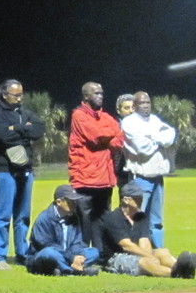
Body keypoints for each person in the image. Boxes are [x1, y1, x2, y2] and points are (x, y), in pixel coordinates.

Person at [0, 79, 46, 270]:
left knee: (23, 215)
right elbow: (3, 136)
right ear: (4, 94)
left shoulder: (24, 112)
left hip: (25, 169)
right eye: (15, 95)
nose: (19, 98)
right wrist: (23, 130)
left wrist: (18, 128)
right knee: (3, 215)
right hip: (4, 170)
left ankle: (22, 253)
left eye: (21, 94)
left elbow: (39, 130)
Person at [99, 182, 196, 278]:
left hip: (137, 253)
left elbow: (144, 242)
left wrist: (150, 255)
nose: (141, 200)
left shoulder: (141, 217)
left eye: (141, 197)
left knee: (163, 252)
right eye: (137, 198)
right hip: (115, 258)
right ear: (126, 200)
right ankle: (176, 273)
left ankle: (180, 267)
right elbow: (127, 246)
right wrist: (149, 257)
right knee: (145, 262)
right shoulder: (112, 218)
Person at [68, 82, 124, 250]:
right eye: (96, 93)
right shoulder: (78, 115)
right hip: (85, 178)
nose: (100, 96)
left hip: (105, 177)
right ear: (86, 96)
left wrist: (111, 136)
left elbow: (120, 139)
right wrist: (110, 134)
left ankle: (102, 253)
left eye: (101, 93)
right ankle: (83, 254)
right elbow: (95, 136)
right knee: (84, 220)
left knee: (104, 218)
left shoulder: (107, 117)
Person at [121, 91, 177, 246]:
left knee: (157, 220)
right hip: (140, 178)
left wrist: (151, 137)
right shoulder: (129, 122)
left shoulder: (155, 120)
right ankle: (136, 253)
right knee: (137, 217)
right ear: (134, 105)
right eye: (142, 103)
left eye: (148, 103)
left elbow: (171, 135)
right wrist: (159, 139)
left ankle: (159, 250)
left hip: (158, 178)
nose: (146, 106)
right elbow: (142, 147)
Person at [25, 185, 101, 276]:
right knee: (49, 253)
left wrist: (77, 256)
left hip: (67, 255)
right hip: (44, 256)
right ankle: (75, 271)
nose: (74, 204)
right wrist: (71, 257)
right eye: (70, 201)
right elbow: (46, 245)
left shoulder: (74, 217)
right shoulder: (44, 219)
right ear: (59, 202)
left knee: (94, 252)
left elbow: (77, 242)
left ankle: (65, 269)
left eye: (75, 201)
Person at [112, 93, 135, 195]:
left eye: (133, 107)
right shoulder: (114, 126)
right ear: (118, 110)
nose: (131, 111)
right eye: (127, 108)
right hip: (122, 172)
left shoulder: (143, 126)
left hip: (140, 172)